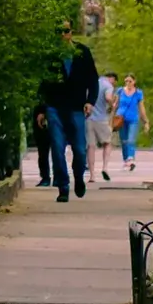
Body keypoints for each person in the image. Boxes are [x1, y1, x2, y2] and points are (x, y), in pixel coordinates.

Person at [51, 39, 96, 203]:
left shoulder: (82, 52)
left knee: (80, 149)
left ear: (70, 32)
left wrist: (90, 101)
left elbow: (93, 79)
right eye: (58, 32)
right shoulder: (50, 53)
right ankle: (63, 186)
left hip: (76, 107)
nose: (62, 35)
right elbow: (42, 82)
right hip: (54, 107)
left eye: (65, 31)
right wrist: (41, 110)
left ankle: (78, 176)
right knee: (57, 148)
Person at [87, 70, 116, 184]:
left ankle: (92, 175)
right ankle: (104, 167)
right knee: (107, 143)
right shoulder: (107, 85)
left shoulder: (91, 83)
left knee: (91, 147)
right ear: (111, 78)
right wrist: (112, 105)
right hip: (101, 119)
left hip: (88, 119)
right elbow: (108, 97)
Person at [115, 73, 146, 171]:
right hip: (121, 118)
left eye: (130, 81)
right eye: (126, 81)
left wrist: (145, 120)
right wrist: (112, 117)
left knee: (131, 139)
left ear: (134, 82)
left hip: (133, 118)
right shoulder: (120, 91)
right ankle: (125, 160)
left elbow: (141, 107)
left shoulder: (138, 93)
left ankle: (131, 158)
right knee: (123, 140)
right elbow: (115, 105)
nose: (128, 83)